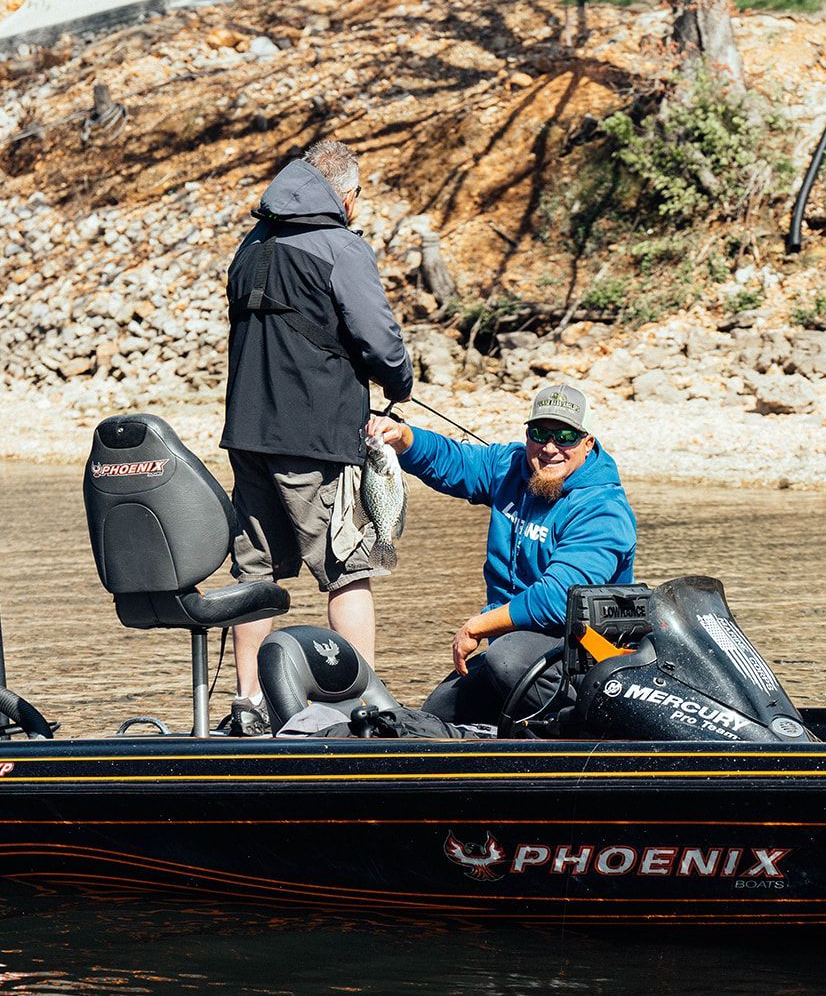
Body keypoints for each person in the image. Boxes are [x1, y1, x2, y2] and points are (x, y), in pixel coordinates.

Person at [221, 139, 413, 734]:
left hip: (248, 435)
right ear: (345, 194)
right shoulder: (341, 247)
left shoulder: (250, 247)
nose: (357, 206)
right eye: (357, 195)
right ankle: (364, 707)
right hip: (316, 439)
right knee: (347, 569)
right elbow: (379, 341)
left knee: (253, 573)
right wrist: (399, 380)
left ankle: (250, 704)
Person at [366, 384, 636, 725]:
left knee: (505, 658)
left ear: (587, 443)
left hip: (582, 656)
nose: (550, 447)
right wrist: (403, 437)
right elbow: (455, 462)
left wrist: (477, 627)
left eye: (565, 436)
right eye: (539, 433)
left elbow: (559, 598)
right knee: (435, 715)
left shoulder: (602, 509)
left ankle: (573, 728)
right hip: (512, 645)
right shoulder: (510, 467)